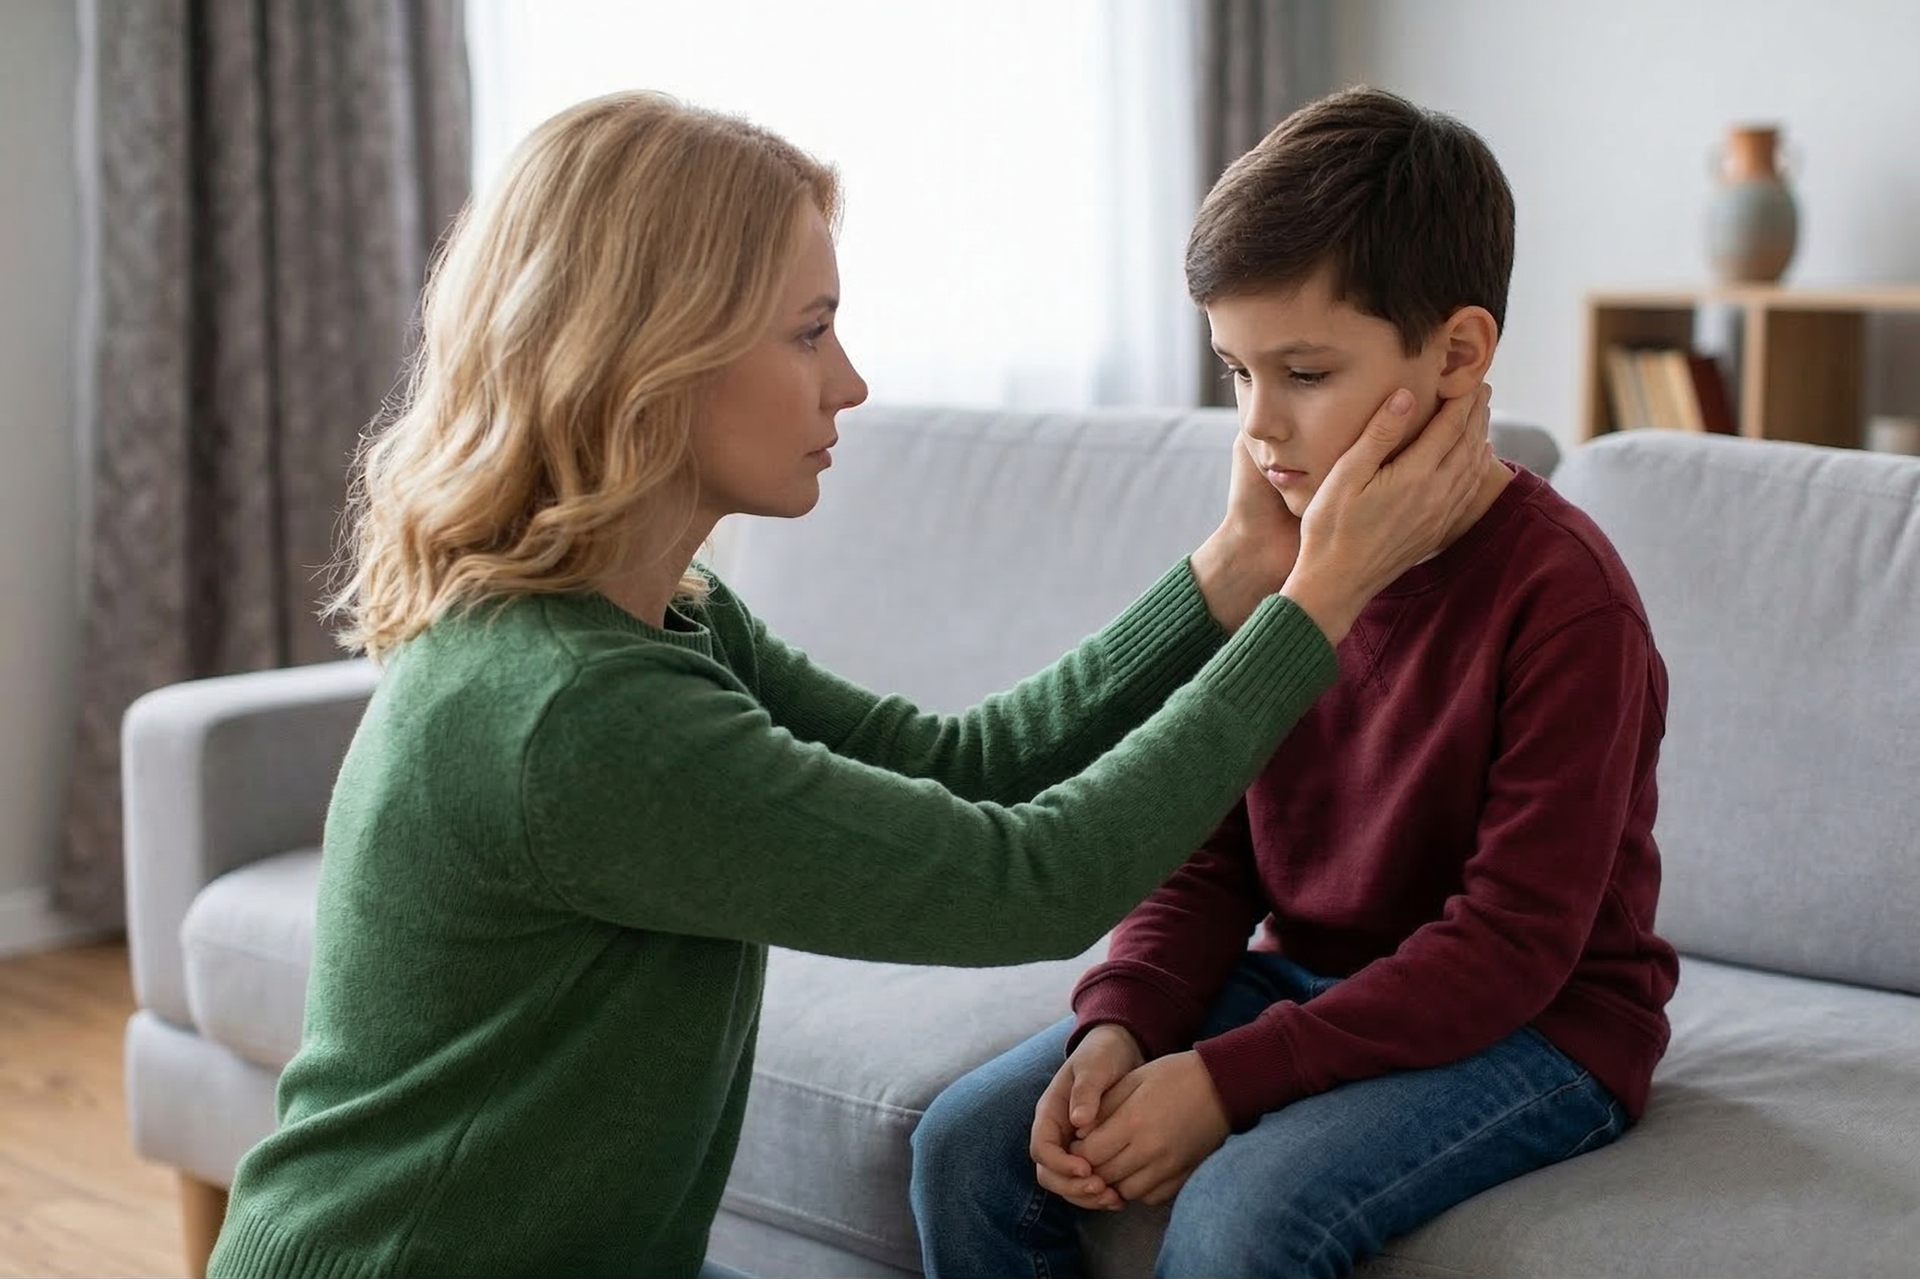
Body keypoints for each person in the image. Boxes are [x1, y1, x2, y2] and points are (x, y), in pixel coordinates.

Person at [203, 90, 1493, 1279]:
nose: (852, 381)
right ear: (653, 355)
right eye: (811, 331)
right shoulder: (576, 714)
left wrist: (1234, 570)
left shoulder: (666, 618)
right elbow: (1036, 879)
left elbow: (968, 764)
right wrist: (1315, 603)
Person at [910, 86, 1680, 1279]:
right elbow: (1210, 855)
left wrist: (1226, 1079)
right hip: (1307, 977)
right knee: (967, 1149)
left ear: (1458, 354)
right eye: (1236, 371)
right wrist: (1122, 1023)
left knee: (1243, 1218)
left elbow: (1511, 947)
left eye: (1305, 372)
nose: (1260, 427)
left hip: (1541, 1028)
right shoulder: (1287, 558)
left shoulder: (1568, 598)